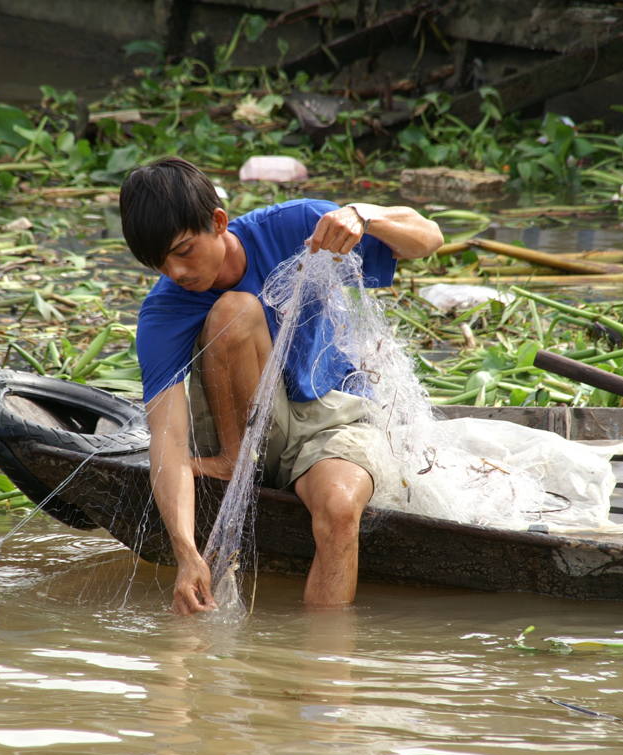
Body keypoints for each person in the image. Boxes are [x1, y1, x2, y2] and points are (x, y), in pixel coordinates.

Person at [119, 157, 443, 614]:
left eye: (184, 251)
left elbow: (429, 237)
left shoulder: (298, 226)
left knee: (339, 510)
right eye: (159, 263)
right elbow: (168, 440)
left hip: (328, 417)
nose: (176, 273)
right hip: (242, 426)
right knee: (234, 310)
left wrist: (362, 214)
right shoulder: (164, 311)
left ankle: (323, 668)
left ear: (217, 222)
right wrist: (186, 554)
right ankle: (234, 463)